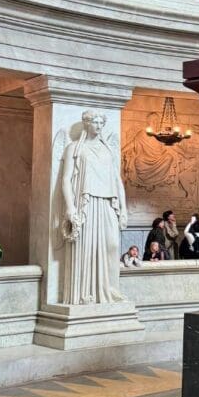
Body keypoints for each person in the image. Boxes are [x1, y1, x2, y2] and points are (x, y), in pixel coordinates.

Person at [57, 111, 127, 304]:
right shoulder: (74, 148)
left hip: (107, 203)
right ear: (86, 124)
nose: (98, 125)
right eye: (94, 122)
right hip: (86, 203)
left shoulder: (107, 150)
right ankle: (86, 292)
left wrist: (124, 209)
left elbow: (117, 180)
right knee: (87, 248)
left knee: (111, 245)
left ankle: (109, 289)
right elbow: (65, 179)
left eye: (101, 122)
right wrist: (70, 208)